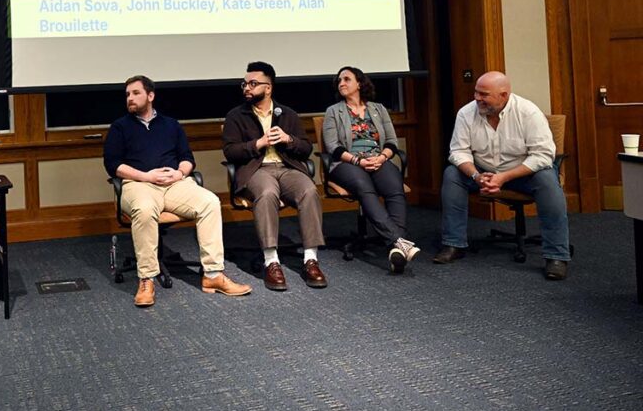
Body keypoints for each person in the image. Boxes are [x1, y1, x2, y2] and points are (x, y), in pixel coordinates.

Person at [104, 75, 252, 307]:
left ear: (150, 96)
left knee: (210, 202)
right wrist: (146, 176)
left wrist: (180, 174)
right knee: (143, 209)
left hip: (175, 183)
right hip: (138, 184)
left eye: (135, 93)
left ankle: (213, 275)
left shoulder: (170, 124)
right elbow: (113, 165)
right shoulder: (119, 127)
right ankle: (146, 279)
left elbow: (187, 158)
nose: (130, 98)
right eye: (127, 95)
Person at [434, 71, 570, 280]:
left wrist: (504, 177)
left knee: (548, 181)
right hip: (482, 171)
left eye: (484, 94)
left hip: (522, 172)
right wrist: (476, 176)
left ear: (504, 95)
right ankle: (454, 244)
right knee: (452, 175)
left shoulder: (528, 113)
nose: (477, 98)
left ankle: (556, 256)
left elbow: (543, 155)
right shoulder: (466, 113)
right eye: (476, 93)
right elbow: (458, 152)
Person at [223, 61, 327, 291]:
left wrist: (288, 139)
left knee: (309, 190)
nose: (246, 88)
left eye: (252, 84)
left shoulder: (287, 114)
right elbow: (230, 151)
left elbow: (306, 148)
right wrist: (257, 143)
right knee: (268, 193)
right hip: (256, 170)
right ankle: (271, 261)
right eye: (244, 84)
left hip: (287, 168)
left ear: (268, 88)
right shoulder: (236, 116)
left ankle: (311, 259)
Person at [322, 66, 419, 273]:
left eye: (347, 79)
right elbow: (333, 147)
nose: (341, 83)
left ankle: (397, 249)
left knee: (395, 189)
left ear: (359, 83)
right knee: (364, 187)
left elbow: (392, 141)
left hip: (378, 159)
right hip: (347, 163)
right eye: (339, 80)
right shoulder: (333, 111)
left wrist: (382, 157)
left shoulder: (379, 109)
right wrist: (359, 161)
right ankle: (399, 241)